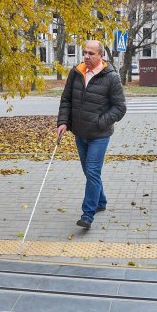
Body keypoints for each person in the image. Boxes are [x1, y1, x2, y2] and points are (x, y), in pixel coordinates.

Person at [57, 40, 127, 229]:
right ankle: (101, 202)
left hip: (99, 135)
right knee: (89, 172)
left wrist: (100, 122)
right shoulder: (76, 72)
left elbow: (120, 108)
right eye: (85, 53)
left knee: (93, 172)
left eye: (91, 53)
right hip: (80, 132)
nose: (87, 56)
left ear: (101, 56)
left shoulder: (111, 77)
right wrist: (63, 122)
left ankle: (87, 214)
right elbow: (66, 99)